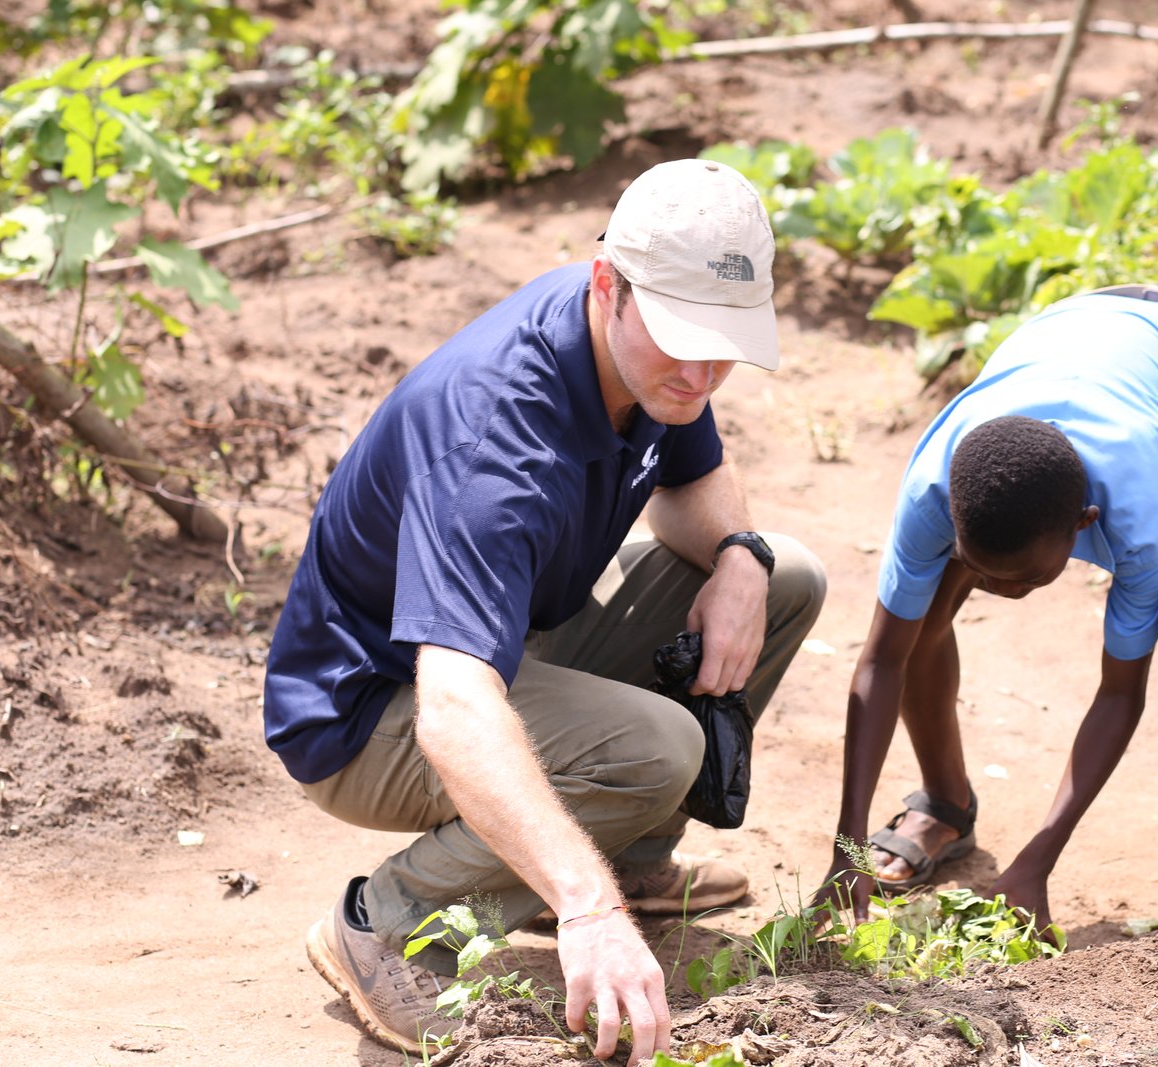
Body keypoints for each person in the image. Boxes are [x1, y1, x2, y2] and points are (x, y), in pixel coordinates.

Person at [263, 159, 826, 1063]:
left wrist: (738, 555)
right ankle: (391, 924)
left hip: (508, 639)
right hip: (373, 711)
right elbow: (455, 707)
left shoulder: (653, 355)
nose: (701, 371)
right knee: (657, 747)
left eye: (724, 343)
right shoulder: (493, 442)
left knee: (786, 574)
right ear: (609, 285)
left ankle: (630, 854)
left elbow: (693, 476)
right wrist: (582, 907)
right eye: (682, 337)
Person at [820, 284, 1158, 931]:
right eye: (978, 568)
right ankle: (945, 801)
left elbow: (1121, 694)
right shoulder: (933, 484)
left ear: (1085, 526)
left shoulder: (1139, 510)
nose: (1001, 591)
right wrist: (845, 850)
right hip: (1069, 340)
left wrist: (1040, 856)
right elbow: (880, 659)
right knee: (922, 615)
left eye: (1026, 579)